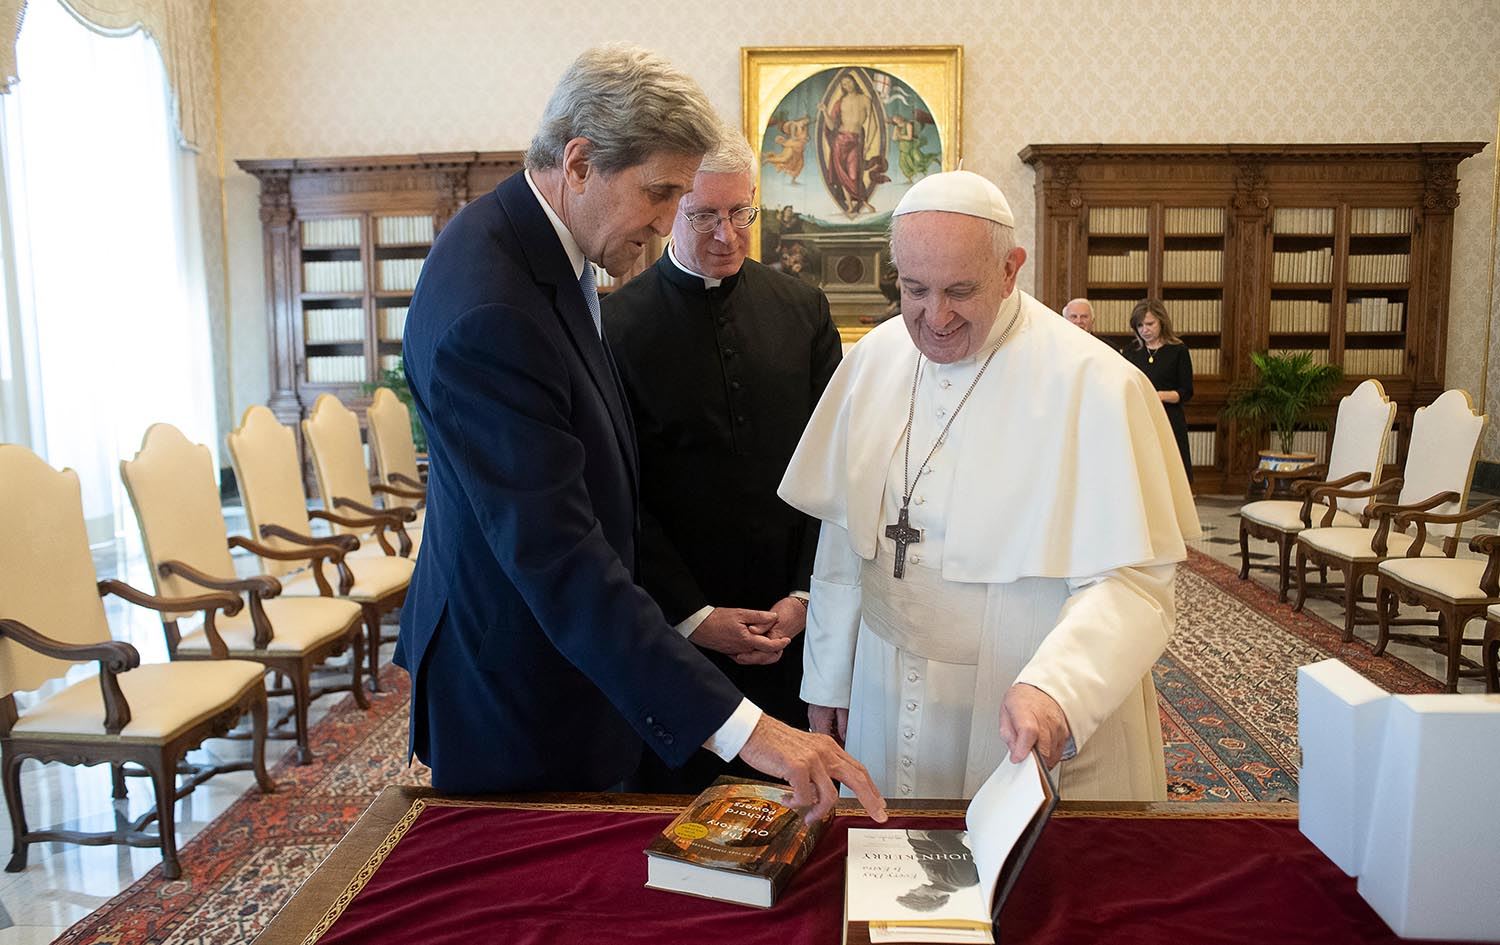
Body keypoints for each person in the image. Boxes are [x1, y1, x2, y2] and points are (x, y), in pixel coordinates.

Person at [395, 44, 885, 824]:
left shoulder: (538, 246)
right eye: (661, 194)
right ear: (579, 162)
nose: (665, 224)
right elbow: (559, 558)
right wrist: (750, 730)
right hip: (518, 681)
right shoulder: (493, 307)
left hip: (575, 657)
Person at [778, 170, 1199, 801]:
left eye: (960, 291)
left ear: (1009, 270)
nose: (935, 316)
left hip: (1017, 689)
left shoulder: (1095, 384)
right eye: (914, 289)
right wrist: (829, 677)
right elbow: (844, 536)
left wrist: (1057, 687)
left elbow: (1134, 582)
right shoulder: (873, 361)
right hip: (883, 685)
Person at [603, 133, 844, 793]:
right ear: (669, 210)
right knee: (676, 818)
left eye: (741, 212)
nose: (728, 234)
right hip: (674, 633)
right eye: (705, 214)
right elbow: (619, 494)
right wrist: (694, 615)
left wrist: (804, 595)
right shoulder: (614, 327)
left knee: (797, 809)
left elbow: (835, 467)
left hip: (790, 627)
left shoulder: (802, 310)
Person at [1120, 299, 1194, 483]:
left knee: (1171, 471)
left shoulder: (1178, 350)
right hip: (1139, 416)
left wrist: (1159, 396)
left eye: (1150, 324)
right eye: (1140, 325)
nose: (1145, 330)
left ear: (1162, 322)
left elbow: (1186, 391)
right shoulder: (1130, 351)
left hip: (1169, 416)